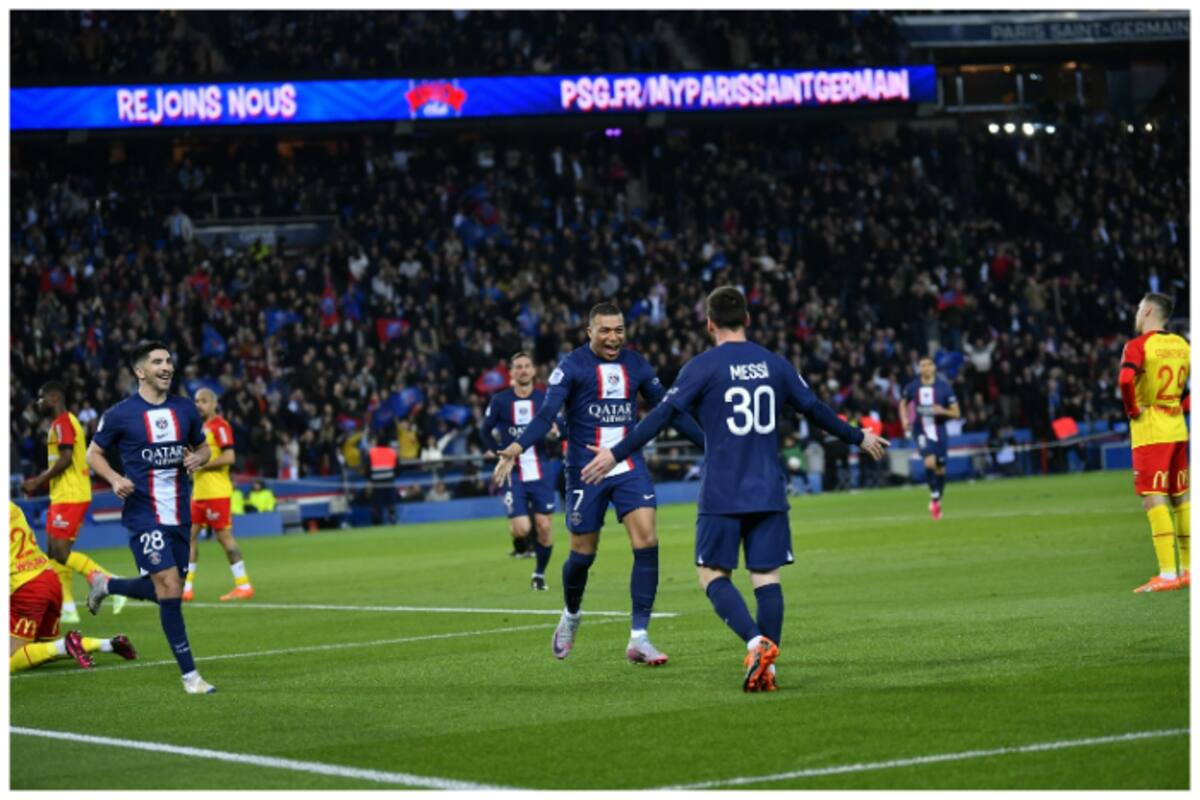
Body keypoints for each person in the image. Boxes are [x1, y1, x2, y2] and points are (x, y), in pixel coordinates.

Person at [581, 286, 889, 691]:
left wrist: (614, 453)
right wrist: (857, 436)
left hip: (723, 491)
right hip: (768, 491)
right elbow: (814, 409)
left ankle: (755, 642)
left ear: (709, 324)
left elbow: (661, 416)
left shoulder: (703, 367)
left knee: (711, 575)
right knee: (767, 578)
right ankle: (769, 665)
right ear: (746, 319)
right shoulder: (774, 363)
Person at [494, 302, 705, 665]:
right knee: (581, 555)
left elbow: (669, 410)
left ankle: (639, 637)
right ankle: (572, 614)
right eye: (605, 330)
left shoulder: (637, 365)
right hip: (584, 471)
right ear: (589, 332)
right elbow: (546, 414)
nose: (613, 337)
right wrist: (516, 447)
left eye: (619, 330)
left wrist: (711, 445)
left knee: (647, 539)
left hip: (627, 463)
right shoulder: (571, 367)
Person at [84, 340, 217, 694]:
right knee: (171, 587)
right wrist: (114, 479)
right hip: (143, 512)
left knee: (165, 594)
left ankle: (106, 584)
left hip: (179, 514)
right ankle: (191, 676)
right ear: (140, 371)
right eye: (158, 361)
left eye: (170, 360)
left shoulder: (185, 410)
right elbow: (93, 453)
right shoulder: (120, 414)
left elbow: (203, 447)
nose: (167, 366)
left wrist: (198, 458)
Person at [20, 382, 125, 622]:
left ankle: (111, 583)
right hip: (62, 495)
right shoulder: (59, 424)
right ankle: (67, 608)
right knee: (52, 553)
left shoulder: (64, 423)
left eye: (41, 398)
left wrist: (37, 481)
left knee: (60, 551)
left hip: (71, 494)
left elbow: (66, 458)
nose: (38, 403)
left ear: (55, 397)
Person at [1118, 292, 1191, 593]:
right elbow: (1187, 393)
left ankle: (1167, 573)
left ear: (1148, 311)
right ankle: (1188, 570)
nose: (1136, 313)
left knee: (1153, 497)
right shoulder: (1181, 345)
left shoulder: (1137, 346)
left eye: (1138, 308)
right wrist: (1178, 407)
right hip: (1177, 428)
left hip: (1151, 431)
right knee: (1181, 497)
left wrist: (1133, 410)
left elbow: (1125, 381)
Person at [10, 502, 137, 672]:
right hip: (48, 577)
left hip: (26, 587)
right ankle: (108, 644)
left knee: (10, 658)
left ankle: (65, 645)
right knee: (42, 648)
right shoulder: (12, 507)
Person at [480, 351, 561, 589]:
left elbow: (563, 427)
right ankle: (522, 540)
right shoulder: (500, 401)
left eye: (527, 366)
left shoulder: (546, 399)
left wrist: (557, 434)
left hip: (540, 469)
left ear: (534, 371)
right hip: (513, 472)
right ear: (512, 373)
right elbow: (485, 431)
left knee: (545, 527)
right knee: (522, 527)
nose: (523, 370)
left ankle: (539, 574)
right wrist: (498, 453)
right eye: (518, 367)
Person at [184, 388, 254, 603]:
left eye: (204, 401)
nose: (199, 404)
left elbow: (230, 456)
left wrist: (202, 463)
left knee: (224, 538)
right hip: (199, 493)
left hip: (217, 493)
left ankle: (243, 585)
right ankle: (186, 588)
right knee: (188, 538)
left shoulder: (220, 426)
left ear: (214, 404)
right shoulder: (197, 429)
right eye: (196, 400)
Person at [899, 357, 960, 520]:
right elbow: (903, 402)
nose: (925, 368)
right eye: (922, 365)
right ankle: (934, 496)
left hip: (939, 431)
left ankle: (936, 499)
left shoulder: (944, 387)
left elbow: (956, 413)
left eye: (928, 365)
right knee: (929, 461)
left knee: (941, 468)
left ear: (934, 368)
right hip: (921, 430)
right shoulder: (913, 386)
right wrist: (905, 420)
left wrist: (942, 411)